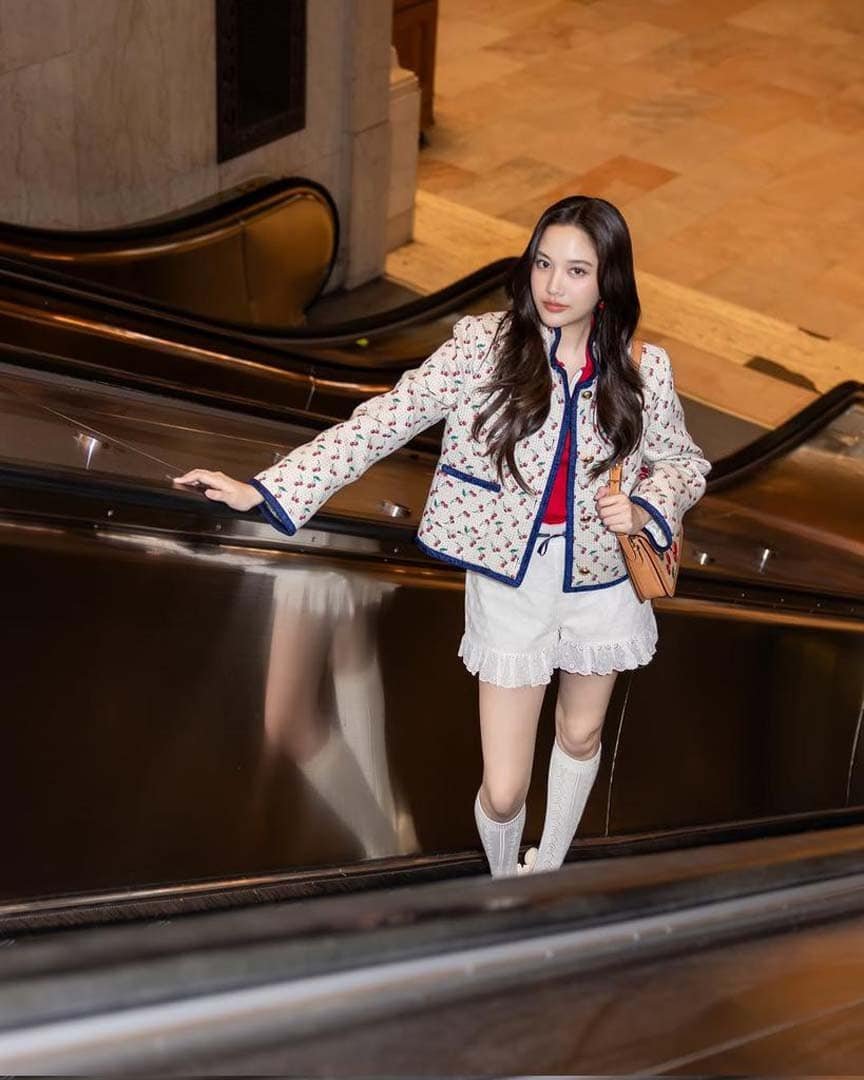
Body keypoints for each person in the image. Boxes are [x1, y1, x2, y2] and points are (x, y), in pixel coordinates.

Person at [175, 195, 711, 877]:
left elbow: (685, 462)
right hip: (511, 583)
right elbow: (384, 420)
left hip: (603, 581)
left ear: (609, 281)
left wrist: (645, 509)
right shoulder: (483, 350)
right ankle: (502, 878)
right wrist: (270, 487)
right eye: (544, 263)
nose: (552, 285)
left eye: (577, 271)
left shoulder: (641, 372)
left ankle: (543, 873)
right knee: (505, 786)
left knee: (581, 732)